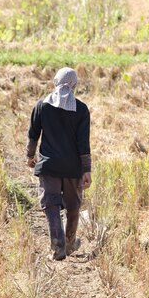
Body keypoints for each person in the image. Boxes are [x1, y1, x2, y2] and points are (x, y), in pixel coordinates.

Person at [26, 67, 92, 261]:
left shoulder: (42, 106)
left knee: (51, 205)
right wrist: (86, 170)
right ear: (74, 85)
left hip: (49, 166)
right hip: (73, 168)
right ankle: (70, 242)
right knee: (73, 205)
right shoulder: (81, 109)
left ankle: (58, 247)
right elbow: (83, 143)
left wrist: (30, 155)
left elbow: (33, 135)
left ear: (55, 82)